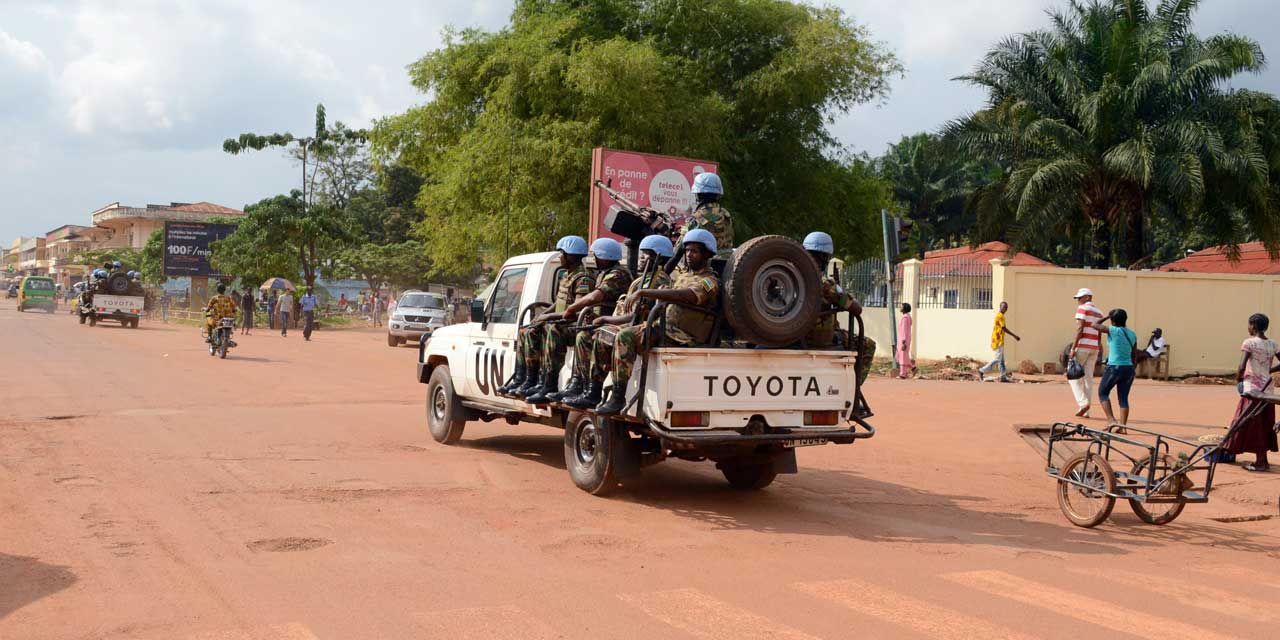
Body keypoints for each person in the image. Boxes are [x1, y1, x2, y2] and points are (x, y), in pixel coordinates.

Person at [598, 229, 721, 415]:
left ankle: (618, 396)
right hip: (665, 328)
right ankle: (598, 387)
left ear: (707, 254)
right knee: (608, 334)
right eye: (687, 251)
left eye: (694, 251)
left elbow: (686, 295)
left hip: (683, 335)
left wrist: (646, 292)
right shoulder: (682, 276)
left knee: (626, 336)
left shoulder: (709, 281)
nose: (689, 255)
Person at [564, 235, 674, 409]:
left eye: (646, 255)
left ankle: (605, 393)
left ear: (657, 257)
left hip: (638, 327)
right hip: (630, 324)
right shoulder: (643, 279)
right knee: (592, 335)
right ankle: (591, 390)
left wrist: (607, 319)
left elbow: (636, 316)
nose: (641, 258)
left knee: (601, 335)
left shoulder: (658, 281)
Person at [537, 237, 634, 404]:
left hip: (611, 324)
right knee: (576, 333)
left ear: (604, 256)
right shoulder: (605, 273)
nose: (593, 259)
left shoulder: (617, 274)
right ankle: (571, 383)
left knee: (582, 336)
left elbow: (594, 297)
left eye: (596, 255)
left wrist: (571, 309)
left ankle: (587, 388)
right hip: (601, 321)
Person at [504, 236, 594, 397]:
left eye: (562, 254)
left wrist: (547, 318)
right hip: (561, 320)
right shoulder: (567, 275)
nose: (560, 257)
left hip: (572, 324)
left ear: (571, 256)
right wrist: (544, 314)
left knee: (552, 330)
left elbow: (578, 310)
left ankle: (548, 383)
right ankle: (525, 379)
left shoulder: (583, 278)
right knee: (527, 331)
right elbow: (559, 301)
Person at [802, 231, 876, 387]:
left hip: (789, 335)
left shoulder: (788, 276)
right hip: (819, 338)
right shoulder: (824, 284)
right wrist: (840, 288)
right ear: (825, 258)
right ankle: (853, 390)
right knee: (868, 344)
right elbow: (856, 308)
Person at [1224, 313, 1280, 472]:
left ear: (1253, 326)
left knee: (1248, 422)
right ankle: (1263, 460)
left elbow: (1241, 366)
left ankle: (1260, 463)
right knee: (1264, 423)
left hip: (1253, 389)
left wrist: (1238, 381)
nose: (1248, 328)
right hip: (1268, 389)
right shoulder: (1273, 344)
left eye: (1249, 325)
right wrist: (1269, 369)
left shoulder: (1249, 343)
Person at [1093, 308, 1138, 426]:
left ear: (1113, 321)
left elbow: (1095, 325)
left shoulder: (1113, 330)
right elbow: (1134, 354)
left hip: (1114, 368)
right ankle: (1123, 427)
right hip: (1128, 369)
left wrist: (1107, 316)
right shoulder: (1132, 334)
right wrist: (1133, 370)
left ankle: (1111, 420)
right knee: (1123, 398)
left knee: (1103, 393)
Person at [1068, 287, 1105, 417]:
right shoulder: (1100, 312)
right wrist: (1099, 347)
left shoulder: (1083, 308)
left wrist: (1073, 348)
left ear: (1087, 297)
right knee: (1088, 379)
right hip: (1094, 347)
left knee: (1073, 376)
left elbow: (1080, 329)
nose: (1078, 300)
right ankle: (1087, 411)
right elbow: (1100, 331)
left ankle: (1083, 403)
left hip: (1082, 346)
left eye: (1079, 298)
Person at [681, 172, 734, 259]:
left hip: (704, 268)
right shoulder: (726, 214)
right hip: (728, 264)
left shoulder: (695, 218)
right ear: (718, 194)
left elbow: (679, 249)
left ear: (698, 195)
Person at [976, 301, 1021, 382]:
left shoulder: (1001, 316)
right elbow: (1003, 328)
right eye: (1003, 307)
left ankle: (1003, 377)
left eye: (1006, 307)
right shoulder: (1000, 316)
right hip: (997, 341)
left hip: (999, 340)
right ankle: (982, 370)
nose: (1005, 309)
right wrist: (1014, 336)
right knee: (997, 359)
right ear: (1000, 307)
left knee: (1002, 360)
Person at [896, 303, 915, 379]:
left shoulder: (905, 318)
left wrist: (903, 342)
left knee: (903, 356)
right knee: (904, 355)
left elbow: (904, 330)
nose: (900, 308)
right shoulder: (907, 317)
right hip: (905, 339)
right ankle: (913, 368)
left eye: (902, 307)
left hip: (903, 340)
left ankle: (903, 374)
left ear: (905, 309)